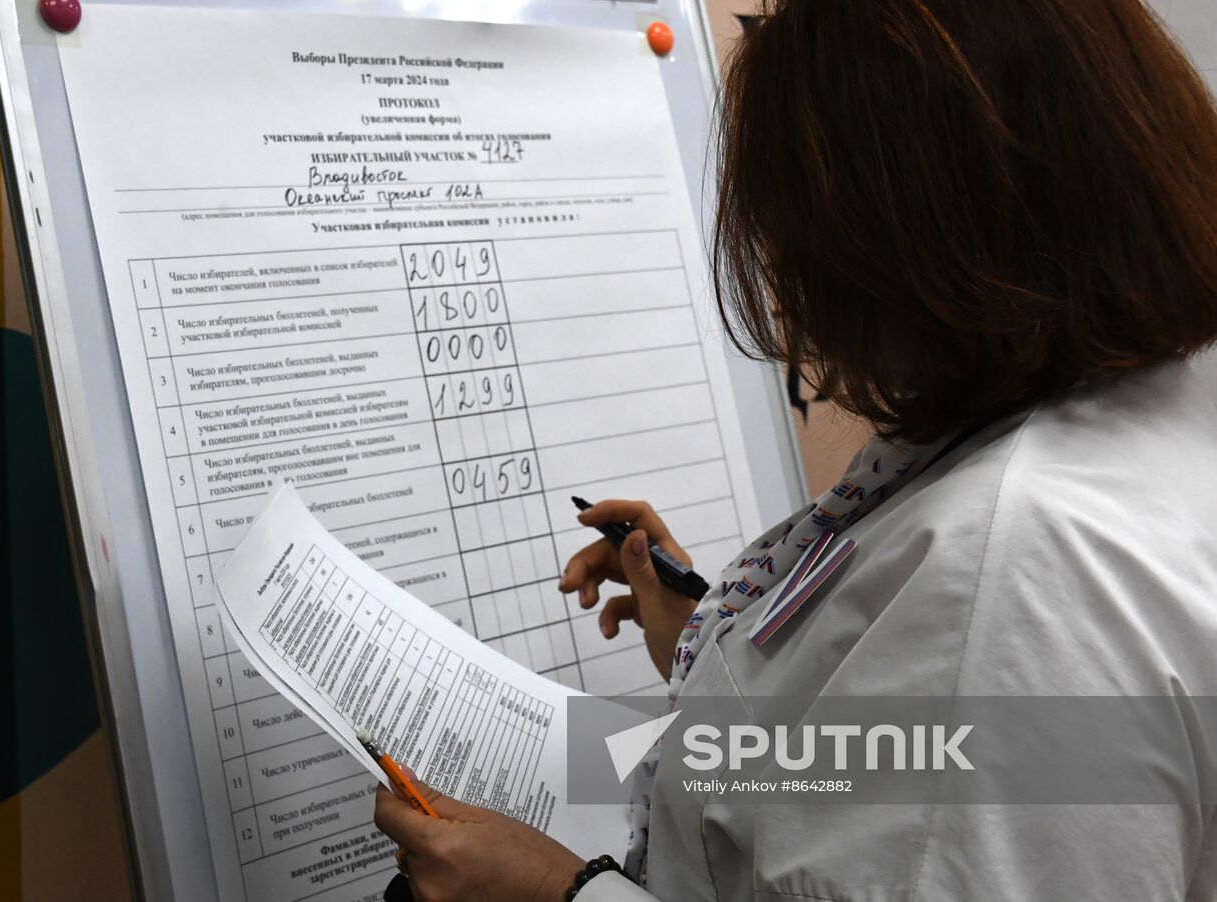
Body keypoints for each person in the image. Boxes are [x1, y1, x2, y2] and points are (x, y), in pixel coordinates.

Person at [374, 0, 1217, 898]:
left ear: (902, 235)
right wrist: (724, 643)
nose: (785, 281)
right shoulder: (1132, 418)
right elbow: (881, 759)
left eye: (795, 230)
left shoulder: (1016, 568)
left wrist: (556, 890)